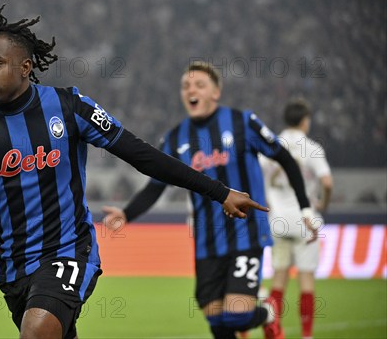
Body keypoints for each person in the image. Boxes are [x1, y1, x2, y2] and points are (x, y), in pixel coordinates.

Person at [0, 5, 268, 339]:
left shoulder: (70, 107)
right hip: (14, 268)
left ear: (26, 67)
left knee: (37, 330)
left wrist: (219, 191)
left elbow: (142, 155)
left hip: (70, 251)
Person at [103, 62, 314, 339]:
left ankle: (268, 313)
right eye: (186, 86)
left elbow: (284, 158)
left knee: (236, 315)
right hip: (207, 241)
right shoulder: (176, 138)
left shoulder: (243, 122)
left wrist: (305, 207)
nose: (191, 90)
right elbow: (156, 186)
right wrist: (127, 213)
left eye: (199, 85)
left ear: (216, 92)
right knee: (217, 323)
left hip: (246, 234)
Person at [259, 98, 332, 339]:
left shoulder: (269, 147)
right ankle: (307, 335)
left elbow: (256, 179)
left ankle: (273, 330)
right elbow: (327, 182)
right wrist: (323, 204)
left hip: (277, 221)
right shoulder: (311, 148)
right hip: (305, 222)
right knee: (306, 280)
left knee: (278, 279)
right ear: (304, 121)